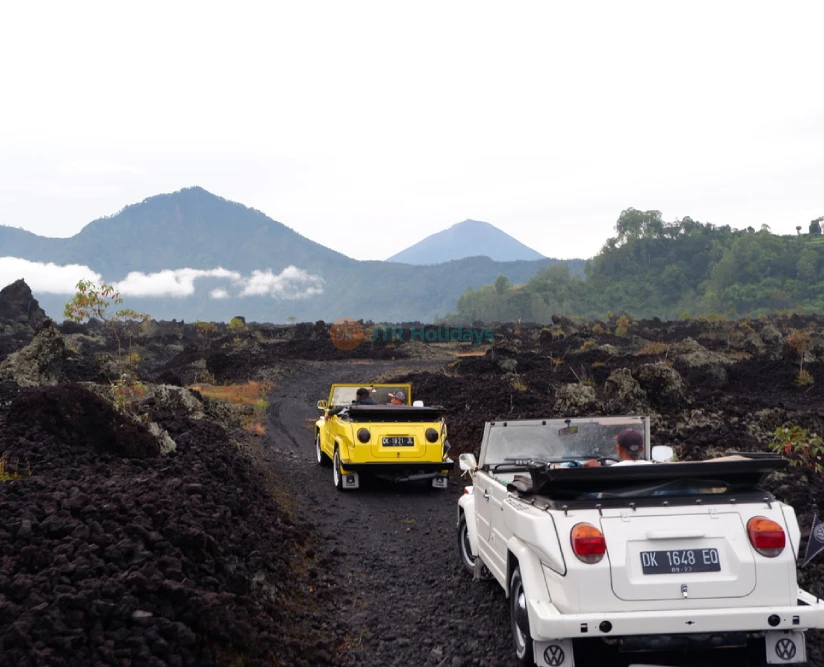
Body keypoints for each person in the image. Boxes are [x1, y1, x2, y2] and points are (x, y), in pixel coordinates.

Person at [583, 428, 653, 467]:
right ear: (642, 448)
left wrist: (598, 471)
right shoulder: (653, 468)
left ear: (618, 448)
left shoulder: (613, 471)